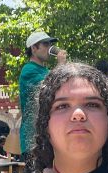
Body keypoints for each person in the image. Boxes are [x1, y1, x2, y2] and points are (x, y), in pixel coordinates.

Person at [19, 31, 67, 164]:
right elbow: (49, 86)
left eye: (50, 44)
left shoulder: (46, 71)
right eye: (45, 44)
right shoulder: (28, 70)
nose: (50, 47)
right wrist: (61, 65)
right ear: (34, 48)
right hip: (33, 140)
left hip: (46, 138)